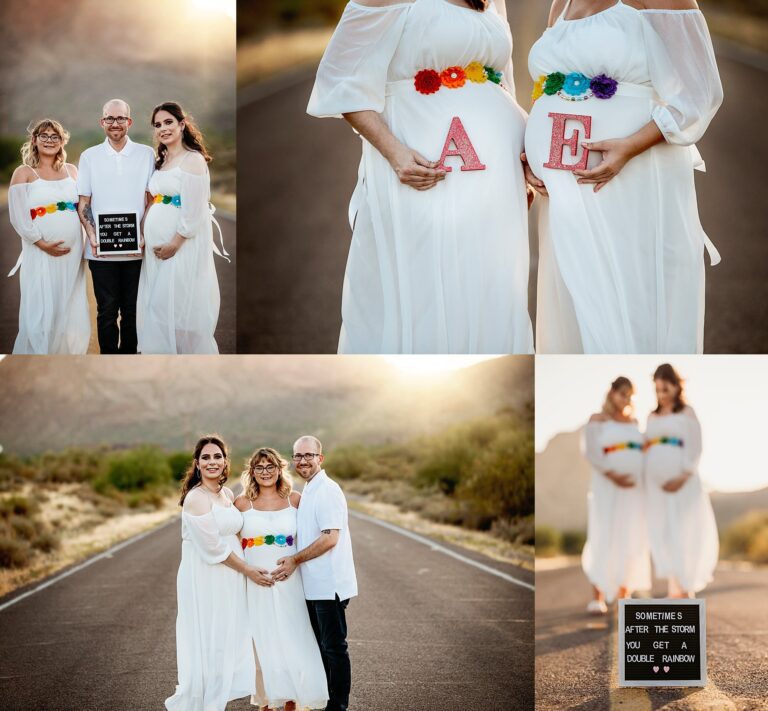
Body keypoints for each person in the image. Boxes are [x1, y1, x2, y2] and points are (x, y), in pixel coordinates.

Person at [307, 0, 533, 354]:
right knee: (423, 283)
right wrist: (394, 152)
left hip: (494, 176)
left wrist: (523, 156)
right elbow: (339, 79)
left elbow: (501, 82)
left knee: (490, 282)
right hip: (422, 168)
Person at [524, 0, 723, 353]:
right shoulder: (561, 4)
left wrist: (631, 146)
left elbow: (701, 92)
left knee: (627, 295)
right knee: (578, 294)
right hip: (563, 189)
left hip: (631, 173)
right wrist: (531, 151)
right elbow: (548, 88)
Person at [166, 435, 264, 711]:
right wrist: (249, 570)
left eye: (217, 456)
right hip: (206, 577)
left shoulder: (227, 495)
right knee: (210, 638)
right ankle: (208, 704)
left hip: (231, 576)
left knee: (228, 636)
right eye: (206, 457)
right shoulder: (196, 498)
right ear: (197, 464)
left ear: (225, 462)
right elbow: (214, 548)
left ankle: (217, 699)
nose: (212, 462)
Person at [235, 447, 329, 711]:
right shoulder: (241, 503)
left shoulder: (295, 500)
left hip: (290, 584)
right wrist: (246, 570)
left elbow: (312, 536)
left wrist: (297, 562)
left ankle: (292, 703)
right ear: (252, 472)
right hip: (255, 584)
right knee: (261, 643)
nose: (265, 472)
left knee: (293, 641)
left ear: (279, 469)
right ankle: (266, 703)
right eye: (259, 467)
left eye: (270, 466)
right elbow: (230, 543)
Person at [271, 436, 357, 711]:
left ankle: (338, 706)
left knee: (334, 648)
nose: (303, 460)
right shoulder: (309, 489)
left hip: (328, 586)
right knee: (321, 648)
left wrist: (295, 560)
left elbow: (330, 538)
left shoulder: (327, 490)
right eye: (298, 455)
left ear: (321, 458)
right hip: (313, 586)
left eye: (309, 455)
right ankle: (327, 701)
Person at [137, 102, 223, 354]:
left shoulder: (192, 160)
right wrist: (142, 232)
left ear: (182, 124)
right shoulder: (162, 161)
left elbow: (194, 211)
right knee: (160, 308)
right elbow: (155, 201)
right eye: (157, 125)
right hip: (156, 251)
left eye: (168, 122)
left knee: (179, 307)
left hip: (180, 247)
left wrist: (174, 244)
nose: (162, 128)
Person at [77, 99, 155, 354]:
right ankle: (108, 360)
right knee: (107, 311)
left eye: (120, 118)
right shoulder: (89, 156)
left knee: (133, 310)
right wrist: (92, 236)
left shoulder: (146, 154)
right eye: (109, 118)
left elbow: (151, 201)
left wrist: (143, 233)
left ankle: (129, 360)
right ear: (102, 122)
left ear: (129, 121)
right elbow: (84, 203)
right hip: (101, 252)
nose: (115, 123)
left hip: (136, 250)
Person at [7, 118, 89, 354]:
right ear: (34, 140)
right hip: (40, 251)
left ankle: (67, 356)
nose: (49, 140)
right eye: (44, 135)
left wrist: (92, 238)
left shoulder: (72, 171)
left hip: (72, 254)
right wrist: (42, 243)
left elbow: (84, 209)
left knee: (69, 303)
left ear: (62, 141)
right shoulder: (24, 173)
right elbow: (18, 217)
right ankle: (37, 356)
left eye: (55, 136)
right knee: (41, 305)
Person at [644, 364, 718, 597]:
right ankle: (674, 587)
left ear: (677, 386)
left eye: (665, 389)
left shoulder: (687, 413)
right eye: (657, 390)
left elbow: (695, 446)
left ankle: (686, 589)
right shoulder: (651, 416)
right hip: (656, 487)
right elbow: (647, 448)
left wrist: (683, 476)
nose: (661, 395)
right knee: (663, 531)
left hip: (683, 483)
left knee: (685, 530)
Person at [582, 376, 650, 614]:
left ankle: (624, 595)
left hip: (634, 489)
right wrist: (614, 475)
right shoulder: (597, 420)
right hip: (607, 486)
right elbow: (592, 453)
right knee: (603, 533)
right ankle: (597, 597)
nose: (626, 399)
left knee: (630, 535)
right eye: (622, 394)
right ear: (612, 393)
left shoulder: (635, 422)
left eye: (630, 396)